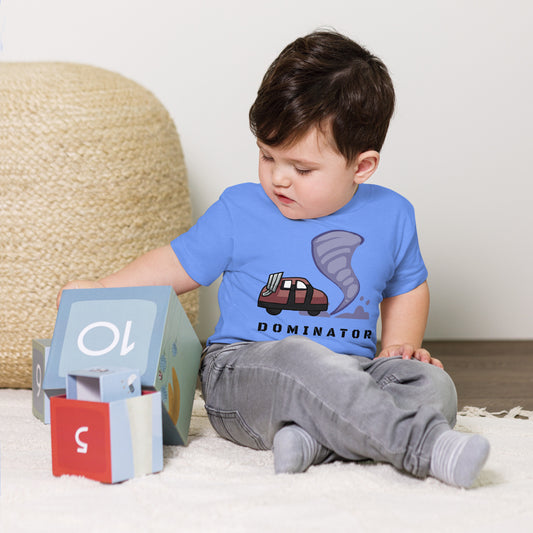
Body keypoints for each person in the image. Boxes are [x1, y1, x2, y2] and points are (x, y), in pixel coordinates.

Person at [58, 30, 489, 488]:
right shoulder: (239, 209)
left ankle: (315, 442)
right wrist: (102, 290)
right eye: (267, 156)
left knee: (433, 386)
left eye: (301, 168)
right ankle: (419, 445)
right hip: (245, 371)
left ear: (361, 166)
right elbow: (174, 264)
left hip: (355, 372)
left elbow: (407, 285)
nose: (279, 178)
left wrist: (398, 347)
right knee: (298, 356)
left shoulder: (392, 214)